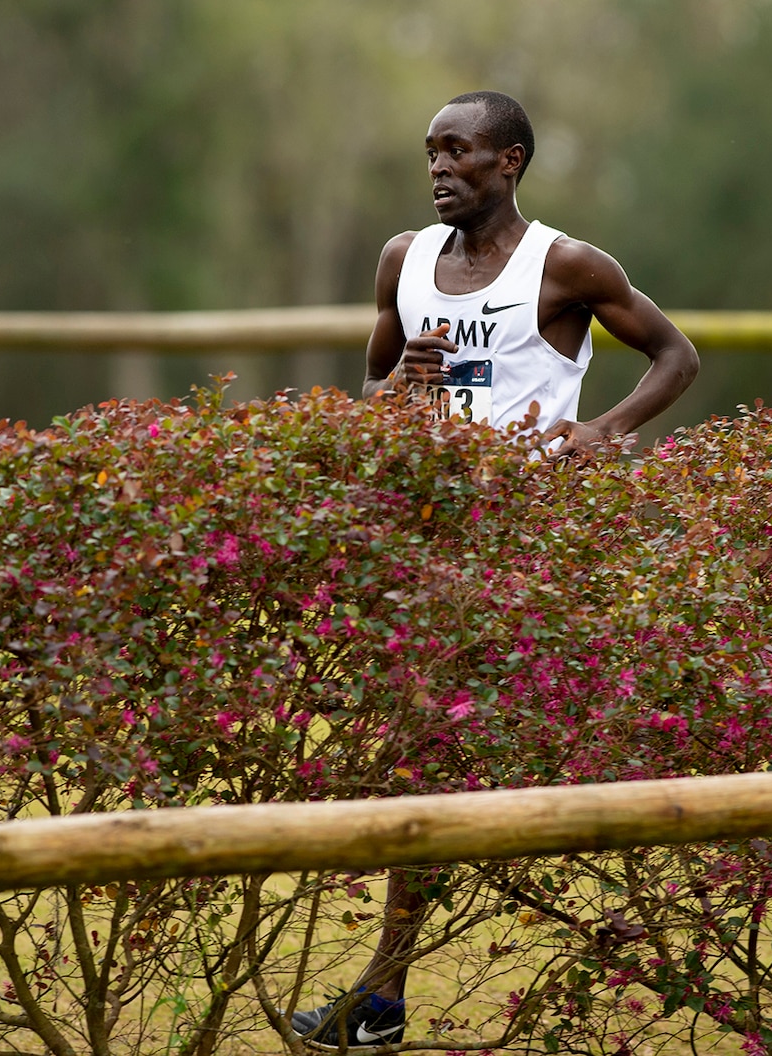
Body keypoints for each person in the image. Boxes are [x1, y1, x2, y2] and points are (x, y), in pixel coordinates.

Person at [289, 90, 699, 1050]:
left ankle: (646, 937)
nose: (439, 168)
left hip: (536, 544)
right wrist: (405, 388)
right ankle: (384, 1000)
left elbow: (676, 356)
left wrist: (603, 430)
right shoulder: (404, 260)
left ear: (509, 161)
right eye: (430, 152)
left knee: (549, 749)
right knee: (424, 759)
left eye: (459, 152)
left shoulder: (568, 266)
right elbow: (372, 391)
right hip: (433, 542)